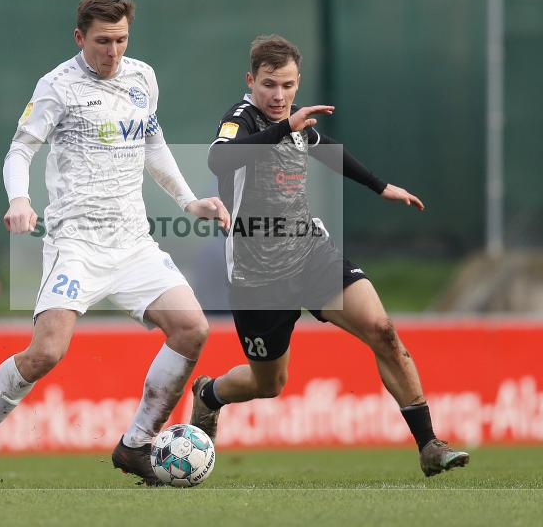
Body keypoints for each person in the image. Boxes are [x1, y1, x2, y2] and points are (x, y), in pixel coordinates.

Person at [0, 0, 229, 489]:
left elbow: (153, 145)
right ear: (80, 38)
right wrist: (19, 200)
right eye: (102, 41)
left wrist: (189, 202)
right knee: (46, 352)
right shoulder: (58, 86)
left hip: (133, 241)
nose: (113, 51)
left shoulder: (143, 78)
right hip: (76, 243)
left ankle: (137, 443)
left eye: (120, 39)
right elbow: (20, 150)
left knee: (193, 330)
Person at [190, 35, 469, 477]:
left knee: (382, 330)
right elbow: (218, 161)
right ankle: (209, 395)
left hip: (310, 255)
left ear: (297, 82)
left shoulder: (299, 124)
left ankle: (429, 444)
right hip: (257, 277)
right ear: (251, 81)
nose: (278, 96)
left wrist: (382, 186)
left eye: (286, 85)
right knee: (270, 384)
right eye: (268, 85)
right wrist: (287, 126)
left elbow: (329, 151)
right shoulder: (240, 119)